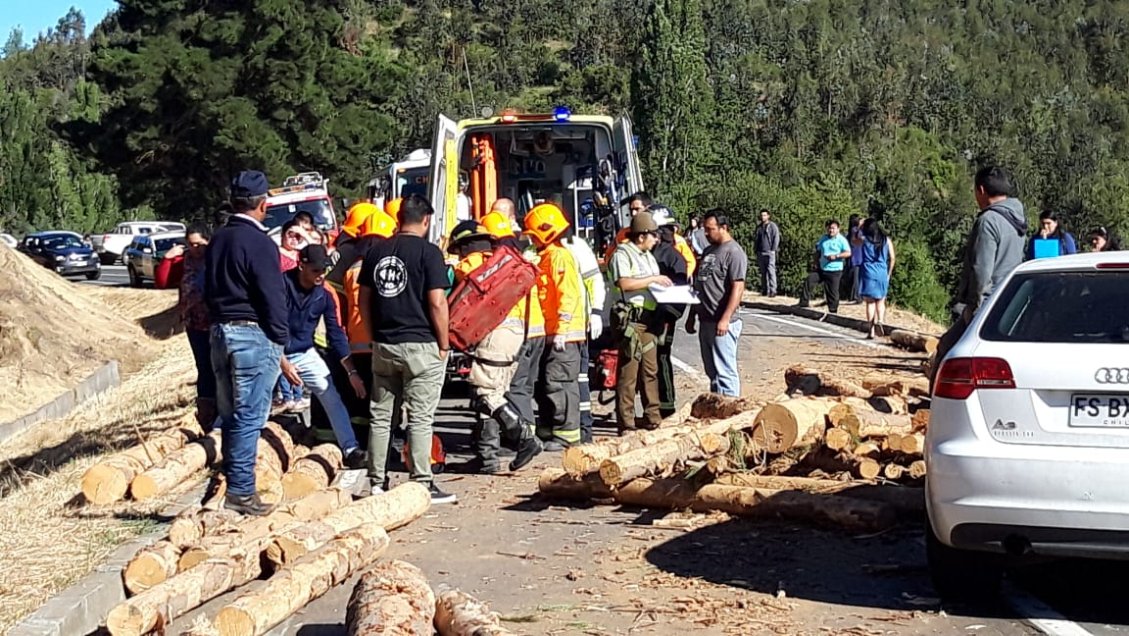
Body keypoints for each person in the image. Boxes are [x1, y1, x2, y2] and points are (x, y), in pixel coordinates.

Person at [358, 194, 456, 504]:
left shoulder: (376, 252)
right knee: (420, 417)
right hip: (421, 344)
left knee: (381, 416)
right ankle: (422, 481)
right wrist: (444, 343)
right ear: (426, 220)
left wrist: (374, 337)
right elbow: (437, 302)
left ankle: (377, 482)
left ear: (399, 218)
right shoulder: (429, 253)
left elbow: (363, 300)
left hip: (384, 344)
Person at [205, 170, 292, 516]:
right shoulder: (260, 243)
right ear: (263, 204)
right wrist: (280, 338)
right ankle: (241, 491)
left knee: (230, 414)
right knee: (249, 416)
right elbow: (272, 295)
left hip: (220, 331)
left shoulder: (219, 239)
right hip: (251, 334)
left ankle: (235, 482)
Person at [450, 219, 543, 474]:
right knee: (494, 393)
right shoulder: (505, 262)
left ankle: (525, 439)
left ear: (464, 246)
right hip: (516, 332)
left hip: (496, 334)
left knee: (485, 392)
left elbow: (458, 283)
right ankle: (487, 458)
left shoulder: (472, 263)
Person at [931, 166, 1027, 386]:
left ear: (981, 190)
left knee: (947, 349)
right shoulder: (1017, 218)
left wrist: (974, 308)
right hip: (1009, 300)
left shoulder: (989, 221)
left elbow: (981, 269)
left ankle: (935, 402)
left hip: (986, 304)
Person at [284, 245, 368, 468]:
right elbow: (269, 329)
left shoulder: (324, 294)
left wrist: (351, 372)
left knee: (331, 395)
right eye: (315, 270)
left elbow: (336, 335)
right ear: (301, 265)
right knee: (257, 400)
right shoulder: (281, 287)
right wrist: (283, 364)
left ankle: (351, 450)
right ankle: (226, 440)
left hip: (304, 353)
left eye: (324, 270)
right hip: (273, 352)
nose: (321, 275)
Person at [524, 202, 585, 451]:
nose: (531, 239)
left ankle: (567, 435)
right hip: (550, 331)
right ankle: (549, 428)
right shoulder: (545, 256)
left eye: (533, 235)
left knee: (559, 381)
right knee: (545, 383)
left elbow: (567, 295)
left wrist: (562, 329)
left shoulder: (560, 257)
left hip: (564, 334)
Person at [487, 203, 546, 438]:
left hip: (520, 331)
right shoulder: (524, 253)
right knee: (526, 386)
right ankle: (527, 433)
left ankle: (524, 437)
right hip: (536, 329)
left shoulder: (500, 260)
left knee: (516, 387)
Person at [610, 212, 670, 432]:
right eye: (653, 235)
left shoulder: (647, 256)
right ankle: (626, 422)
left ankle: (652, 417)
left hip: (649, 319)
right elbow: (624, 283)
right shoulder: (623, 254)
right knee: (629, 372)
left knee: (650, 371)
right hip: (631, 320)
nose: (657, 239)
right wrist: (653, 280)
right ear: (642, 236)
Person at [686, 211, 747, 397]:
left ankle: (730, 407)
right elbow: (699, 285)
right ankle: (715, 406)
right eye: (705, 229)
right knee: (712, 372)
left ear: (723, 228)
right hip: (705, 319)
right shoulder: (708, 251)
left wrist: (726, 318)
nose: (706, 233)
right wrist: (692, 315)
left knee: (725, 372)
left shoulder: (734, 252)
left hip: (722, 322)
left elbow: (738, 287)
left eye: (710, 229)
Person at [642, 207, 688, 419]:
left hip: (664, 316)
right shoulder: (648, 254)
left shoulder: (672, 257)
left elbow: (680, 291)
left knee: (660, 358)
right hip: (647, 315)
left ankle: (666, 406)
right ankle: (652, 406)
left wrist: (668, 315)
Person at [561, 224, 606, 443]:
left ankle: (584, 428)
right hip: (548, 327)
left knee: (578, 378)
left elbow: (594, 280)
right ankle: (561, 426)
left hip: (576, 324)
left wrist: (596, 311)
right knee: (553, 381)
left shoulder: (576, 246)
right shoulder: (533, 249)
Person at [174, 226, 214, 430]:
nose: (195, 248)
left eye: (199, 244)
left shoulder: (216, 257)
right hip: (194, 322)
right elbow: (163, 280)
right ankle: (206, 413)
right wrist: (168, 259)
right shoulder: (186, 260)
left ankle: (223, 410)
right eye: (190, 244)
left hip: (215, 321)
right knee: (203, 366)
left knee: (219, 367)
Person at [799, 220, 851, 314]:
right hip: (822, 268)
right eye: (829, 228)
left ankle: (833, 311)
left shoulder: (841, 240)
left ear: (838, 229)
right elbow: (818, 251)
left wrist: (836, 256)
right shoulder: (824, 238)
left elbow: (848, 253)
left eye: (833, 228)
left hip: (834, 270)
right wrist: (815, 262)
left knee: (832, 292)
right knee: (809, 280)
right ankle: (803, 303)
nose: (831, 230)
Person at [855, 219, 896, 339]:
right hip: (882, 272)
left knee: (870, 302)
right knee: (881, 300)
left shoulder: (864, 240)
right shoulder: (886, 240)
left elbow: (854, 241)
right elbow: (892, 258)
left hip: (868, 272)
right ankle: (880, 320)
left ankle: (871, 330)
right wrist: (889, 273)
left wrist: (859, 227)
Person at [754, 209, 780, 297]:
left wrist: (773, 249)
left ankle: (773, 290)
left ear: (768, 216)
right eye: (762, 215)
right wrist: (756, 249)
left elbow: (776, 238)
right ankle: (764, 290)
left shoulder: (772, 226)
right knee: (763, 272)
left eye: (764, 215)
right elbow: (757, 239)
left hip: (770, 252)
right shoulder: (759, 227)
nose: (763, 217)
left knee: (771, 271)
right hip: (760, 252)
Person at [845, 214, 864, 303]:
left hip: (854, 257)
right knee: (856, 278)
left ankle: (853, 296)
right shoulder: (855, 231)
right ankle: (857, 296)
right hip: (857, 258)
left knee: (854, 277)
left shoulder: (851, 231)